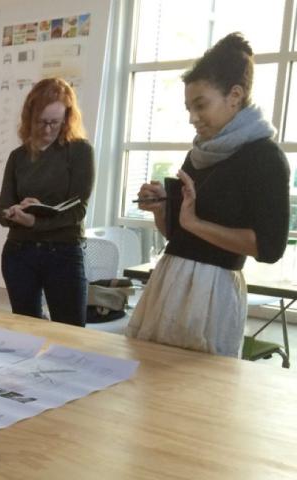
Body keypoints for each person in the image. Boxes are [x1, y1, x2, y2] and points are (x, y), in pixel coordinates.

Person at [127, 33, 289, 356]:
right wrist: (163, 211)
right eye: (189, 107)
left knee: (196, 395)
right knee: (149, 387)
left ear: (235, 95)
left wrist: (195, 223)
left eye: (200, 105)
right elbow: (179, 233)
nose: (193, 117)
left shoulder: (265, 157)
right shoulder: (201, 152)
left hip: (213, 293)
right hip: (169, 279)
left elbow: (269, 247)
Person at [0, 77, 94, 327]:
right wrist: (15, 212)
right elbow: (1, 211)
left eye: (55, 122)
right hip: (19, 252)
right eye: (41, 122)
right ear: (30, 117)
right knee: (26, 330)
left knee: (70, 332)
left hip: (63, 252)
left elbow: (78, 210)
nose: (48, 129)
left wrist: (33, 222)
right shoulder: (18, 157)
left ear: (67, 119)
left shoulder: (80, 151)